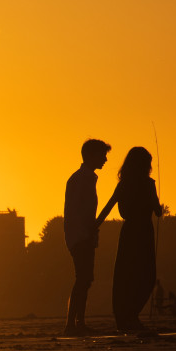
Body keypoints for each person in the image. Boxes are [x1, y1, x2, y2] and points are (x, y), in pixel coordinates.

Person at [97, 147, 162, 332]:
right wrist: (158, 206)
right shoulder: (149, 184)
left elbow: (108, 206)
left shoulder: (124, 183)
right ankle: (132, 316)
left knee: (124, 276)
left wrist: (94, 226)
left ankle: (124, 318)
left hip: (128, 233)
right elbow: (157, 211)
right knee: (146, 276)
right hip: (144, 233)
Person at [63, 138, 112, 336]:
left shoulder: (85, 178)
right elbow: (76, 211)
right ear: (91, 155)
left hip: (84, 235)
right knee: (83, 278)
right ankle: (72, 324)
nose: (105, 160)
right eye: (103, 155)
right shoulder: (80, 179)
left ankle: (77, 322)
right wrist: (87, 232)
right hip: (80, 236)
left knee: (85, 279)